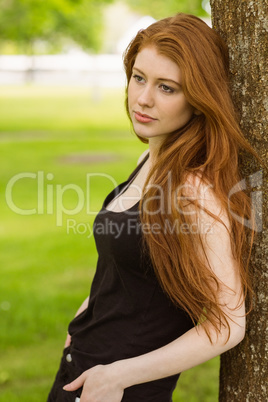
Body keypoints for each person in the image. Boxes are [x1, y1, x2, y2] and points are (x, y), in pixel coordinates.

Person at [47, 13, 256, 402]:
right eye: (139, 77)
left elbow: (229, 324)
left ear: (198, 99)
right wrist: (81, 320)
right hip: (82, 367)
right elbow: (126, 267)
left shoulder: (193, 189)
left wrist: (117, 376)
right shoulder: (151, 157)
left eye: (167, 88)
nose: (143, 98)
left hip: (120, 388)